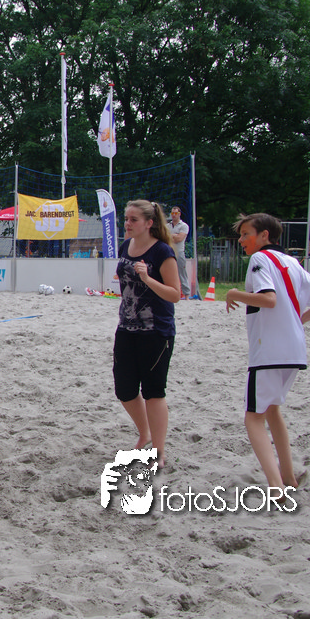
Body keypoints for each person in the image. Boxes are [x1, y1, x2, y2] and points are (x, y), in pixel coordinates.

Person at [226, 213, 310, 492]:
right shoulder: (292, 262)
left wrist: (234, 293)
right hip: (295, 350)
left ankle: (276, 487)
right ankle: (288, 477)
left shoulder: (259, 259)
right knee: (272, 410)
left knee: (253, 418)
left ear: (264, 235)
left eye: (246, 234)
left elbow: (268, 299)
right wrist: (296, 322)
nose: (241, 240)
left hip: (269, 351)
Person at [114, 201, 181, 470]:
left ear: (149, 223)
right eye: (126, 218)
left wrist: (148, 279)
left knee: (153, 392)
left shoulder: (162, 251)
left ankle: (158, 451)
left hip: (156, 331)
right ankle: (145, 433)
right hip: (126, 328)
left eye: (134, 219)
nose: (127, 224)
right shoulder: (125, 247)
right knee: (124, 389)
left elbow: (175, 294)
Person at [168, 206, 190, 300]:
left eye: (176, 213)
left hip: (179, 252)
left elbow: (179, 238)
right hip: (168, 251)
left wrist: (170, 236)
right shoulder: (167, 226)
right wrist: (174, 236)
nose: (174, 215)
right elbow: (163, 237)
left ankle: (187, 295)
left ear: (179, 214)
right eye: (172, 213)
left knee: (182, 273)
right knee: (168, 273)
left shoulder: (184, 226)